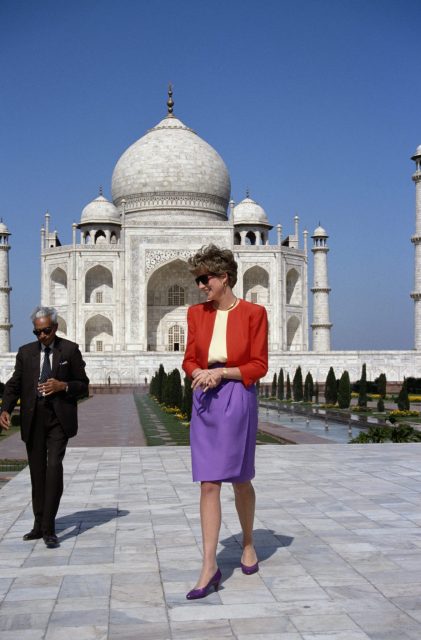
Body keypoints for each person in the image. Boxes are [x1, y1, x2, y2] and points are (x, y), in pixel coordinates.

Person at [182, 244, 268, 600]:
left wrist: (223, 374)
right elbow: (188, 359)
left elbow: (259, 365)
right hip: (205, 396)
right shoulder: (195, 314)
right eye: (198, 280)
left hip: (236, 393)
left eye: (206, 279)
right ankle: (209, 565)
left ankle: (248, 542)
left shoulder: (253, 313)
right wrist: (199, 371)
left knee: (240, 478)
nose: (201, 286)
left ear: (224, 277)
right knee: (208, 482)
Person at [0, 306, 89, 548]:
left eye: (46, 331)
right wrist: (5, 408)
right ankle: (38, 525)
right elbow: (14, 384)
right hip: (33, 419)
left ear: (55, 327)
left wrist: (63, 386)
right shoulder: (26, 352)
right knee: (37, 473)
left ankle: (49, 527)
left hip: (58, 419)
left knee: (53, 468)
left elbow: (83, 385)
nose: (41, 336)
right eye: (37, 332)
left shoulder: (69, 350)